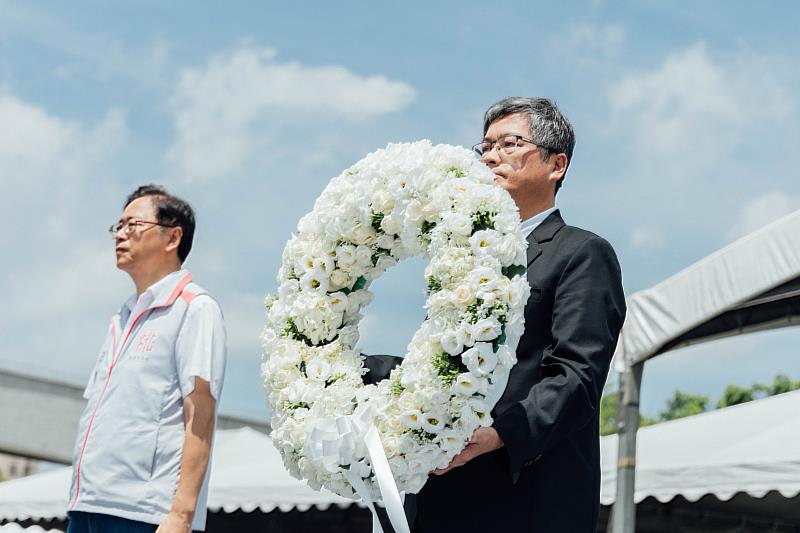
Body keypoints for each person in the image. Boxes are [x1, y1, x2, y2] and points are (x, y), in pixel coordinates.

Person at [409, 97, 627, 532]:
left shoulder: (581, 253)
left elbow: (576, 376)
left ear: (556, 164)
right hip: (443, 494)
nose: (491, 156)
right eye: (484, 147)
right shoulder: (464, 259)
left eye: (509, 144)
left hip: (528, 494)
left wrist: (499, 434)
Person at [67, 185, 227, 533]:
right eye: (118, 226)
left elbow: (200, 411)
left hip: (145, 514)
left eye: (132, 225)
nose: (120, 235)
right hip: (87, 503)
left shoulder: (194, 308)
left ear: (173, 237)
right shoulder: (120, 319)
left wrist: (181, 516)